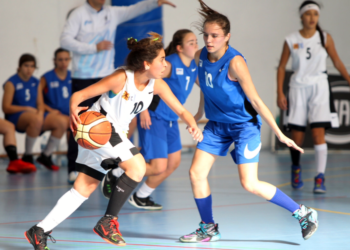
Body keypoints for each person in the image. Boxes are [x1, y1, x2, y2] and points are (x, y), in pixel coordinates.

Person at [24, 33, 203, 249]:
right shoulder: (121, 78)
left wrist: (192, 123)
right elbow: (78, 96)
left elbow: (182, 110)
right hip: (100, 128)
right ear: (146, 64)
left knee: (83, 188)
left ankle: (40, 229)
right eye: (162, 59)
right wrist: (74, 111)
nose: (165, 64)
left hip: (108, 135)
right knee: (137, 167)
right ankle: (108, 220)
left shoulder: (156, 85)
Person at [179, 0, 318, 243]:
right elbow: (205, 86)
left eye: (215, 35)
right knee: (196, 173)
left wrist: (279, 133)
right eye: (206, 35)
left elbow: (256, 100)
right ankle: (208, 228)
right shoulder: (201, 55)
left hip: (244, 126)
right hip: (216, 126)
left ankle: (303, 213)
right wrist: (199, 114)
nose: (209, 40)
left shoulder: (235, 63)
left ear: (227, 36)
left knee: (249, 183)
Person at [61, 0, 176, 185]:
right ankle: (74, 169)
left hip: (105, 73)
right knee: (80, 123)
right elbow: (65, 40)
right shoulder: (78, 14)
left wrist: (156, 2)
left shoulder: (111, 13)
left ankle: (110, 166)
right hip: (83, 75)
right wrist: (93, 47)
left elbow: (134, 9)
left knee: (109, 125)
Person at [101, 29, 199, 210]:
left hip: (170, 120)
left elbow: (207, 87)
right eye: (191, 42)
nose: (196, 45)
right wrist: (143, 110)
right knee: (158, 166)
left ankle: (141, 196)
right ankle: (116, 170)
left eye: (196, 41)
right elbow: (147, 80)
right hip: (155, 117)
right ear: (179, 48)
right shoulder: (169, 65)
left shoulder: (193, 66)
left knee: (173, 163)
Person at [277, 0, 350, 193]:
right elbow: (282, 67)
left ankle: (320, 177)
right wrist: (279, 92)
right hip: (297, 89)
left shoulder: (325, 38)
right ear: (302, 16)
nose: (312, 18)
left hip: (320, 88)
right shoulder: (291, 38)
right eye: (308, 14)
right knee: (297, 138)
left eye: (315, 14)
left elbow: (337, 61)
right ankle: (296, 167)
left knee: (319, 135)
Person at [2, 54, 68, 171]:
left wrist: (41, 113)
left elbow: (40, 104)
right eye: (26, 66)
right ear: (20, 67)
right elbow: (6, 108)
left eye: (32, 66)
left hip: (34, 115)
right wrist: (27, 109)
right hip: (17, 116)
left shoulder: (36, 82)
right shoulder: (11, 83)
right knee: (35, 118)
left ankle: (45, 156)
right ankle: (28, 155)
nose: (29, 69)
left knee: (62, 121)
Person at [40, 48, 73, 180]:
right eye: (60, 59)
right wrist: (48, 109)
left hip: (70, 114)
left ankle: (75, 161)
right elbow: (37, 100)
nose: (63, 62)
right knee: (67, 123)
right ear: (54, 61)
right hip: (53, 115)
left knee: (77, 127)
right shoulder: (46, 77)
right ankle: (46, 156)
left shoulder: (73, 75)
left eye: (66, 59)